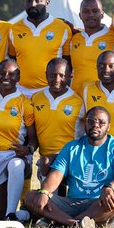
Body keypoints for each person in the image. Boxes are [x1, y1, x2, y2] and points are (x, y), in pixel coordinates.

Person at [25, 105, 114, 228]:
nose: (95, 125)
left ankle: (62, 222)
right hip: (72, 203)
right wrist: (44, 192)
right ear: (85, 124)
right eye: (91, 121)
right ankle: (75, 224)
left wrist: (109, 187)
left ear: (108, 127)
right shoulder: (72, 147)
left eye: (101, 122)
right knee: (31, 196)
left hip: (100, 204)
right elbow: (56, 175)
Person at [0, 58, 37, 223]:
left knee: (16, 165)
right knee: (1, 216)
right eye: (3, 73)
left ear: (18, 78)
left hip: (14, 156)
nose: (7, 77)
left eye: (12, 74)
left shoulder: (24, 103)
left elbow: (33, 140)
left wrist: (28, 150)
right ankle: (25, 215)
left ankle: (12, 212)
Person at [8, 0, 73, 96]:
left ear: (47, 2)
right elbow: (13, 58)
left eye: (38, 1)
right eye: (29, 0)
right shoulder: (14, 29)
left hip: (50, 91)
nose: (32, 4)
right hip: (21, 91)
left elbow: (68, 63)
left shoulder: (62, 28)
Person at [33, 58, 85, 187]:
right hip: (46, 158)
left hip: (71, 157)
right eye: (52, 75)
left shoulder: (79, 102)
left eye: (62, 75)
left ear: (70, 76)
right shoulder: (36, 98)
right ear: (46, 74)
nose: (56, 79)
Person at [69, 0, 114, 95]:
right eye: (86, 11)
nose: (90, 15)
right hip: (76, 98)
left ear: (102, 14)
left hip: (101, 98)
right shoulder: (74, 39)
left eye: (95, 11)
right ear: (80, 15)